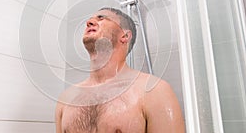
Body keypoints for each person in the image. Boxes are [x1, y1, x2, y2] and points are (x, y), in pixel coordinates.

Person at [55, 7, 185, 133]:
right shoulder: (66, 99)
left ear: (124, 36)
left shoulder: (154, 91)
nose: (89, 22)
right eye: (90, 20)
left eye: (101, 18)